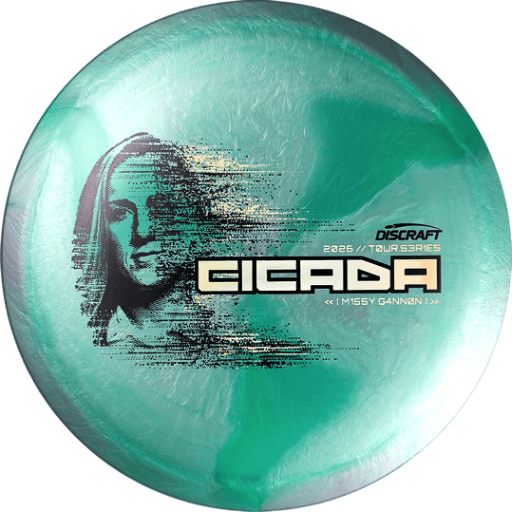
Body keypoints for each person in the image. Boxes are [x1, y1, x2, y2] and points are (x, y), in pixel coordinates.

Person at [73, 132, 220, 356]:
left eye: (162, 206)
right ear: (102, 231)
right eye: (120, 213)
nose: (143, 230)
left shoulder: (238, 330)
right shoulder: (93, 350)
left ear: (193, 213)